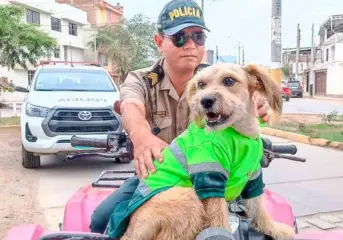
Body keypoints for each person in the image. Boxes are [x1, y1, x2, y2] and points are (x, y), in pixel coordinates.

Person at [90, 0, 271, 234]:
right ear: (159, 42)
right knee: (101, 221)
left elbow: (246, 102)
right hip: (162, 176)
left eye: (198, 37)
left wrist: (255, 105)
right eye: (180, 37)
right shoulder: (142, 79)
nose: (191, 45)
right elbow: (130, 105)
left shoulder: (221, 78)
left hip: (216, 179)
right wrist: (141, 136)